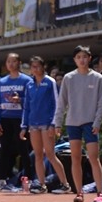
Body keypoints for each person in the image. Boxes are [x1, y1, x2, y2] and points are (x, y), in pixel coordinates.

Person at [54, 46, 102, 202]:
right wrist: (58, 123)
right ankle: (79, 191)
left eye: (84, 56)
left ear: (89, 58)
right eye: (78, 57)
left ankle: (99, 191)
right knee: (75, 158)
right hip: (73, 122)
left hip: (90, 122)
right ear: (74, 59)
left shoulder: (98, 78)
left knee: (93, 157)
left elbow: (101, 103)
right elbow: (62, 102)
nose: (82, 59)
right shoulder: (69, 78)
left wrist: (97, 122)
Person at [19, 56, 71, 194]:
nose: (36, 69)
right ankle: (41, 185)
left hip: (47, 123)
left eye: (38, 66)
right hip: (33, 124)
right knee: (38, 155)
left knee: (50, 154)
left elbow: (57, 103)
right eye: (33, 67)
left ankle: (65, 184)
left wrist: (54, 124)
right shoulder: (29, 85)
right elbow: (27, 106)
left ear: (43, 67)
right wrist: (24, 126)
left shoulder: (50, 82)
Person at [0, 53, 33, 189]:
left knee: (23, 150)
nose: (10, 64)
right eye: (8, 61)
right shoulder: (2, 82)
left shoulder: (27, 80)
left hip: (20, 119)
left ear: (19, 63)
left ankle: (28, 178)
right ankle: (2, 178)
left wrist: (20, 100)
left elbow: (31, 100)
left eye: (13, 61)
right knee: (4, 149)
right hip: (5, 119)